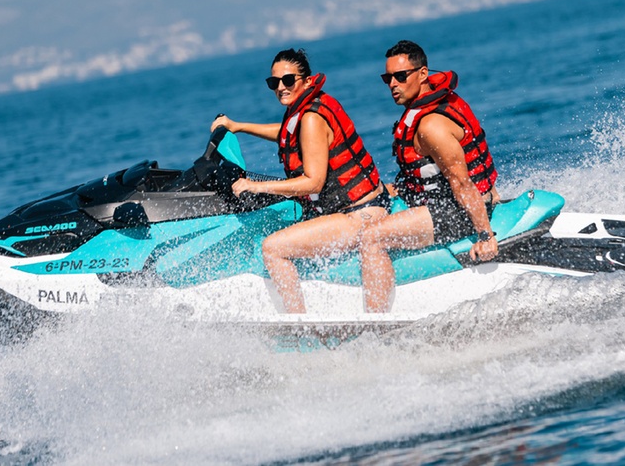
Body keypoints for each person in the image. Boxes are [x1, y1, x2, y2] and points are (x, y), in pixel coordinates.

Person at [211, 48, 390, 314]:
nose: (281, 87)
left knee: (272, 248)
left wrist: (256, 186)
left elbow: (313, 183)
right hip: (359, 206)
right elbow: (287, 134)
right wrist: (239, 126)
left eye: (288, 80)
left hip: (360, 215)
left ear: (306, 81)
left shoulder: (311, 118)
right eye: (274, 83)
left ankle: (300, 327)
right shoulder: (306, 109)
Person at [360, 40, 500, 313]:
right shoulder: (428, 107)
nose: (393, 84)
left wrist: (485, 236)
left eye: (401, 76)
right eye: (387, 78)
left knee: (371, 237)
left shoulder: (431, 126)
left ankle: (375, 321)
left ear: (423, 74)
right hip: (446, 201)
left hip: (457, 211)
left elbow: (462, 183)